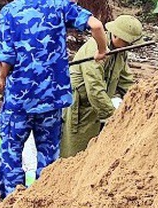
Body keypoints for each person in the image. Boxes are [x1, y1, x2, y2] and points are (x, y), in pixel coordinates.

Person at [0, 0, 108, 197]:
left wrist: (1, 78)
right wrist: (101, 50)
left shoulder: (9, 12)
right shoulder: (58, 3)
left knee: (11, 153)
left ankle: (11, 204)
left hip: (19, 102)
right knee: (48, 155)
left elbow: (7, 58)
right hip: (52, 99)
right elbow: (96, 25)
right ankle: (44, 202)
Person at [61, 15, 142, 158]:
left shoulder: (120, 52)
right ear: (116, 35)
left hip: (100, 105)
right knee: (76, 152)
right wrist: (113, 116)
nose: (130, 46)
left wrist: (140, 100)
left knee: (97, 153)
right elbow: (94, 88)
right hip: (81, 107)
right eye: (127, 42)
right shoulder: (95, 48)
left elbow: (125, 81)